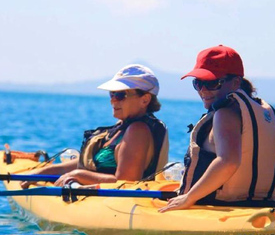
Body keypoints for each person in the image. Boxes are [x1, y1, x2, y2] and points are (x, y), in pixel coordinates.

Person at [159, 45, 275, 212]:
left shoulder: (225, 114)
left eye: (212, 83)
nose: (203, 90)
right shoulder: (263, 112)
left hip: (223, 207)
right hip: (264, 206)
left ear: (235, 82)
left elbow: (229, 161)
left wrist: (189, 198)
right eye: (198, 83)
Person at [21, 64, 168, 188]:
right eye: (112, 94)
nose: (113, 101)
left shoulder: (138, 131)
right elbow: (88, 164)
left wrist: (78, 176)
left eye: (120, 95)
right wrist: (44, 172)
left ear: (145, 100)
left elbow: (126, 183)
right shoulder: (122, 127)